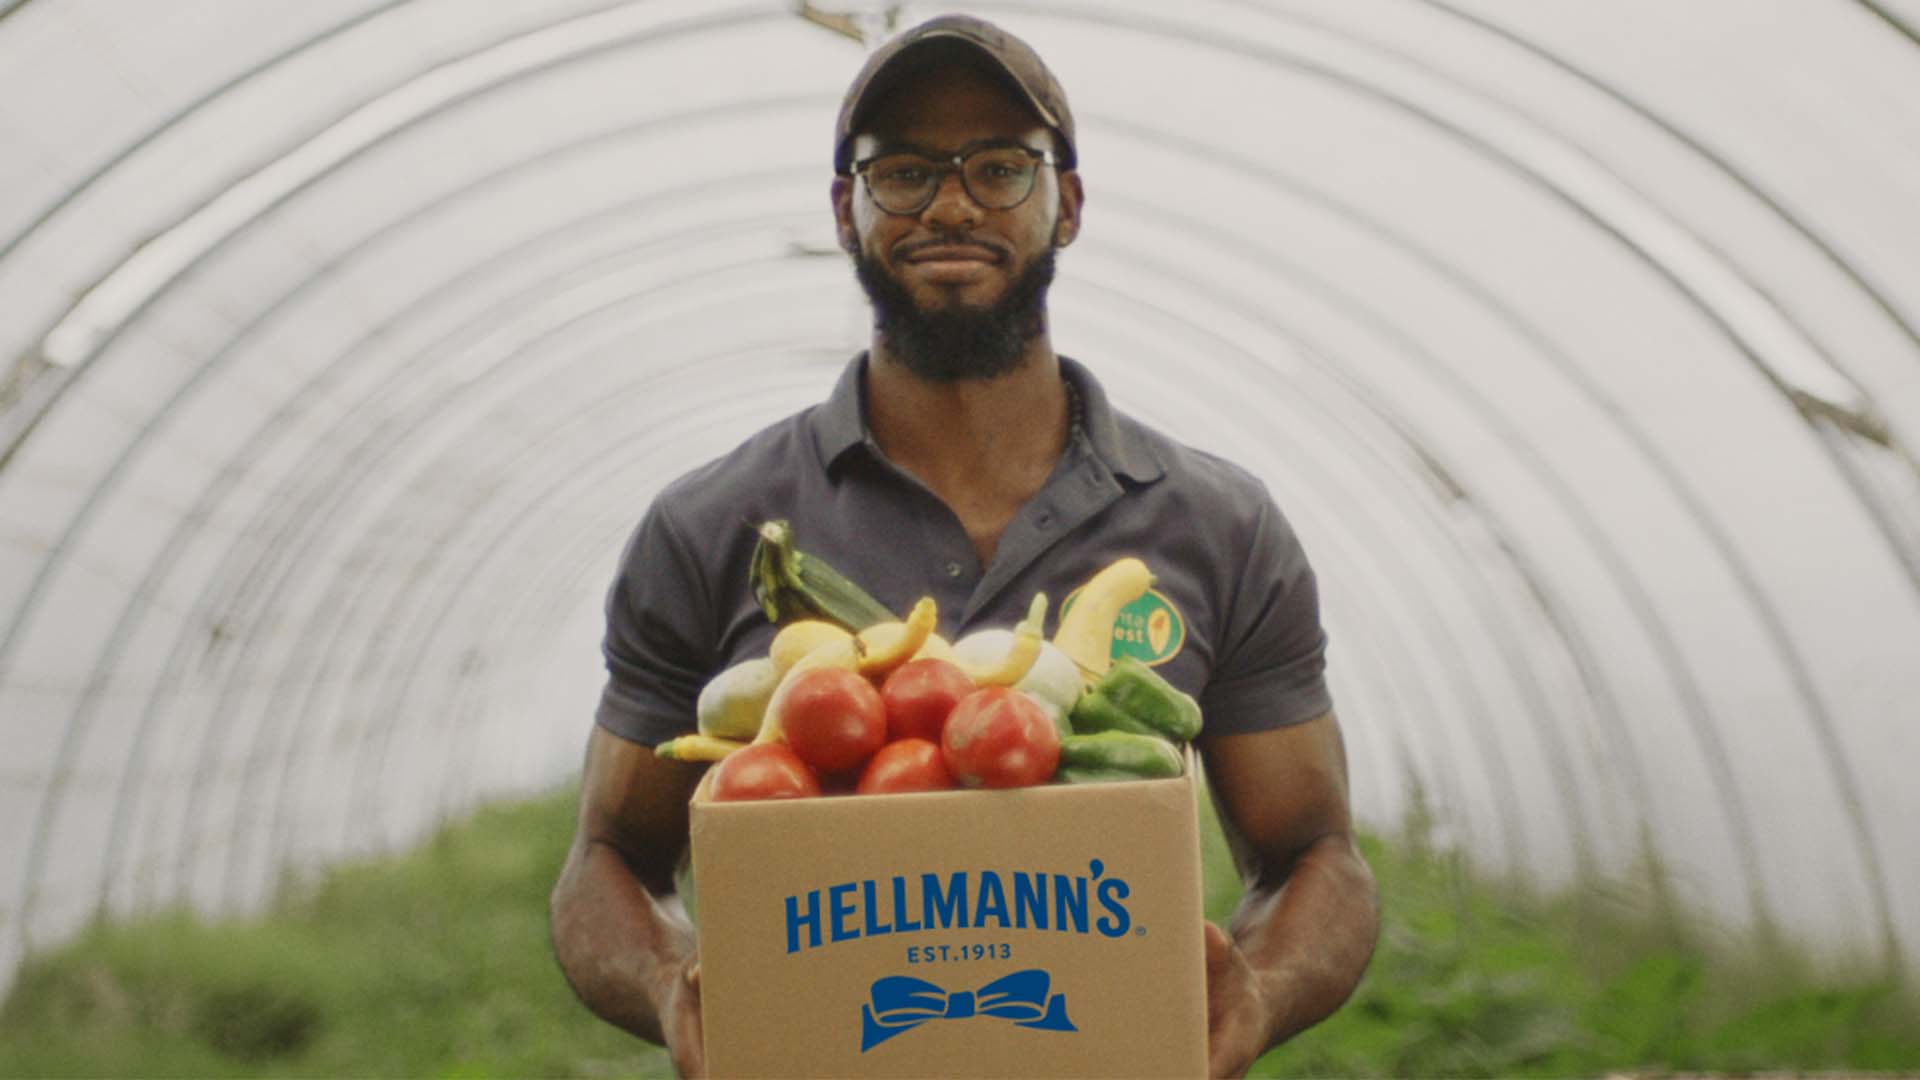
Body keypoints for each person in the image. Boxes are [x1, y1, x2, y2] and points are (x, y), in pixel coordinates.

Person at [549, 15, 1378, 1078]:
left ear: (1066, 203)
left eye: (999, 167)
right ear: (845, 210)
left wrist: (1253, 995)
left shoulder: (1218, 526)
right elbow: (607, 857)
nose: (949, 205)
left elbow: (1317, 850)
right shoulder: (714, 524)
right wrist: (675, 991)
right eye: (900, 172)